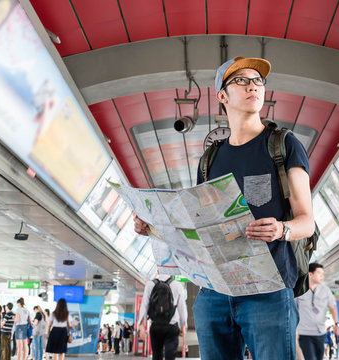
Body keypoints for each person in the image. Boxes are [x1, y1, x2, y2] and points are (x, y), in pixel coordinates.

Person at [134, 56, 314, 360]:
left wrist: (282, 229)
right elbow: (199, 230)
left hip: (268, 293)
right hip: (215, 293)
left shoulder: (283, 144)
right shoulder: (209, 160)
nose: (253, 86)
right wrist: (153, 228)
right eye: (241, 81)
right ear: (222, 96)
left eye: (258, 81)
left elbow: (306, 221)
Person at [137, 274, 188, 360]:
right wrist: (183, 325)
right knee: (170, 356)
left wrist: (142, 326)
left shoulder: (150, 284)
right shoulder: (177, 285)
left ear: (158, 270)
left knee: (156, 355)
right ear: (172, 273)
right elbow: (182, 307)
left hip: (156, 326)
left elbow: (144, 305)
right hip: (172, 326)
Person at [295, 263, 339, 360]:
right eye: (319, 273)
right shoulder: (300, 290)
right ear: (310, 274)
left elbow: (332, 307)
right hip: (304, 332)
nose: (322, 276)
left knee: (319, 357)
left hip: (320, 332)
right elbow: (293, 308)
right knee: (310, 358)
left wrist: (336, 324)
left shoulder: (326, 290)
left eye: (322, 274)